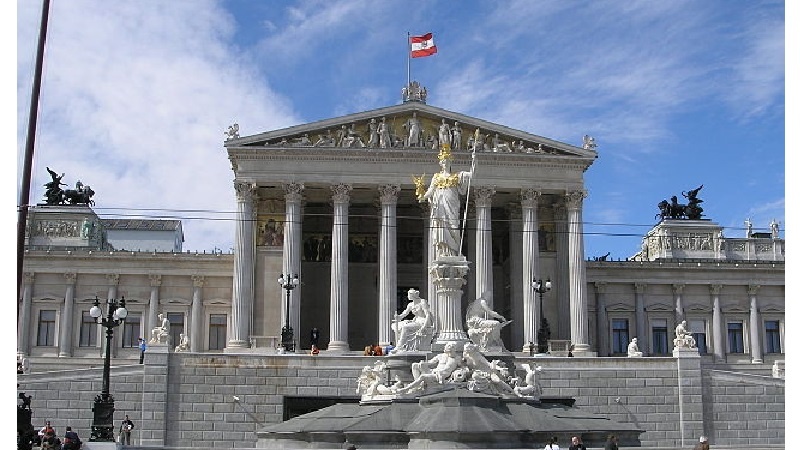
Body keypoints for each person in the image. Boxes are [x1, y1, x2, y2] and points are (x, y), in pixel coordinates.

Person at [417, 147, 474, 258]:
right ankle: (443, 252)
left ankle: (455, 252)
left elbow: (472, 175)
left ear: (450, 162)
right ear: (440, 163)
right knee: (441, 228)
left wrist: (474, 161)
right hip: (441, 206)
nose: (445, 163)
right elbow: (430, 191)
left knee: (454, 227)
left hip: (452, 205)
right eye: (443, 161)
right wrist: (422, 195)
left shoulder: (456, 176)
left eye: (447, 161)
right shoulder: (436, 177)